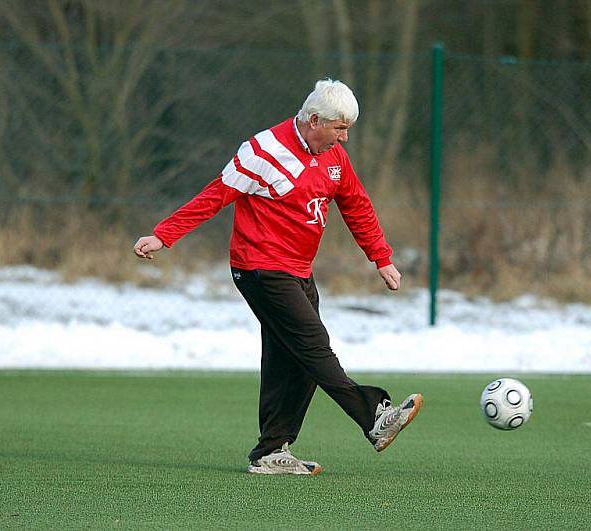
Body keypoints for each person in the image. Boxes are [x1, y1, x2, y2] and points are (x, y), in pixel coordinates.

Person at [133, 79, 422, 476]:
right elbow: (214, 195)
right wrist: (164, 235)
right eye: (340, 129)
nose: (344, 138)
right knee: (313, 345)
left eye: (348, 130)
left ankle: (271, 451)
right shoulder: (263, 152)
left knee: (292, 358)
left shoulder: (334, 156)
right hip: (259, 268)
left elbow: (357, 205)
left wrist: (381, 257)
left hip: (298, 269)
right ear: (314, 120)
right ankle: (373, 417)